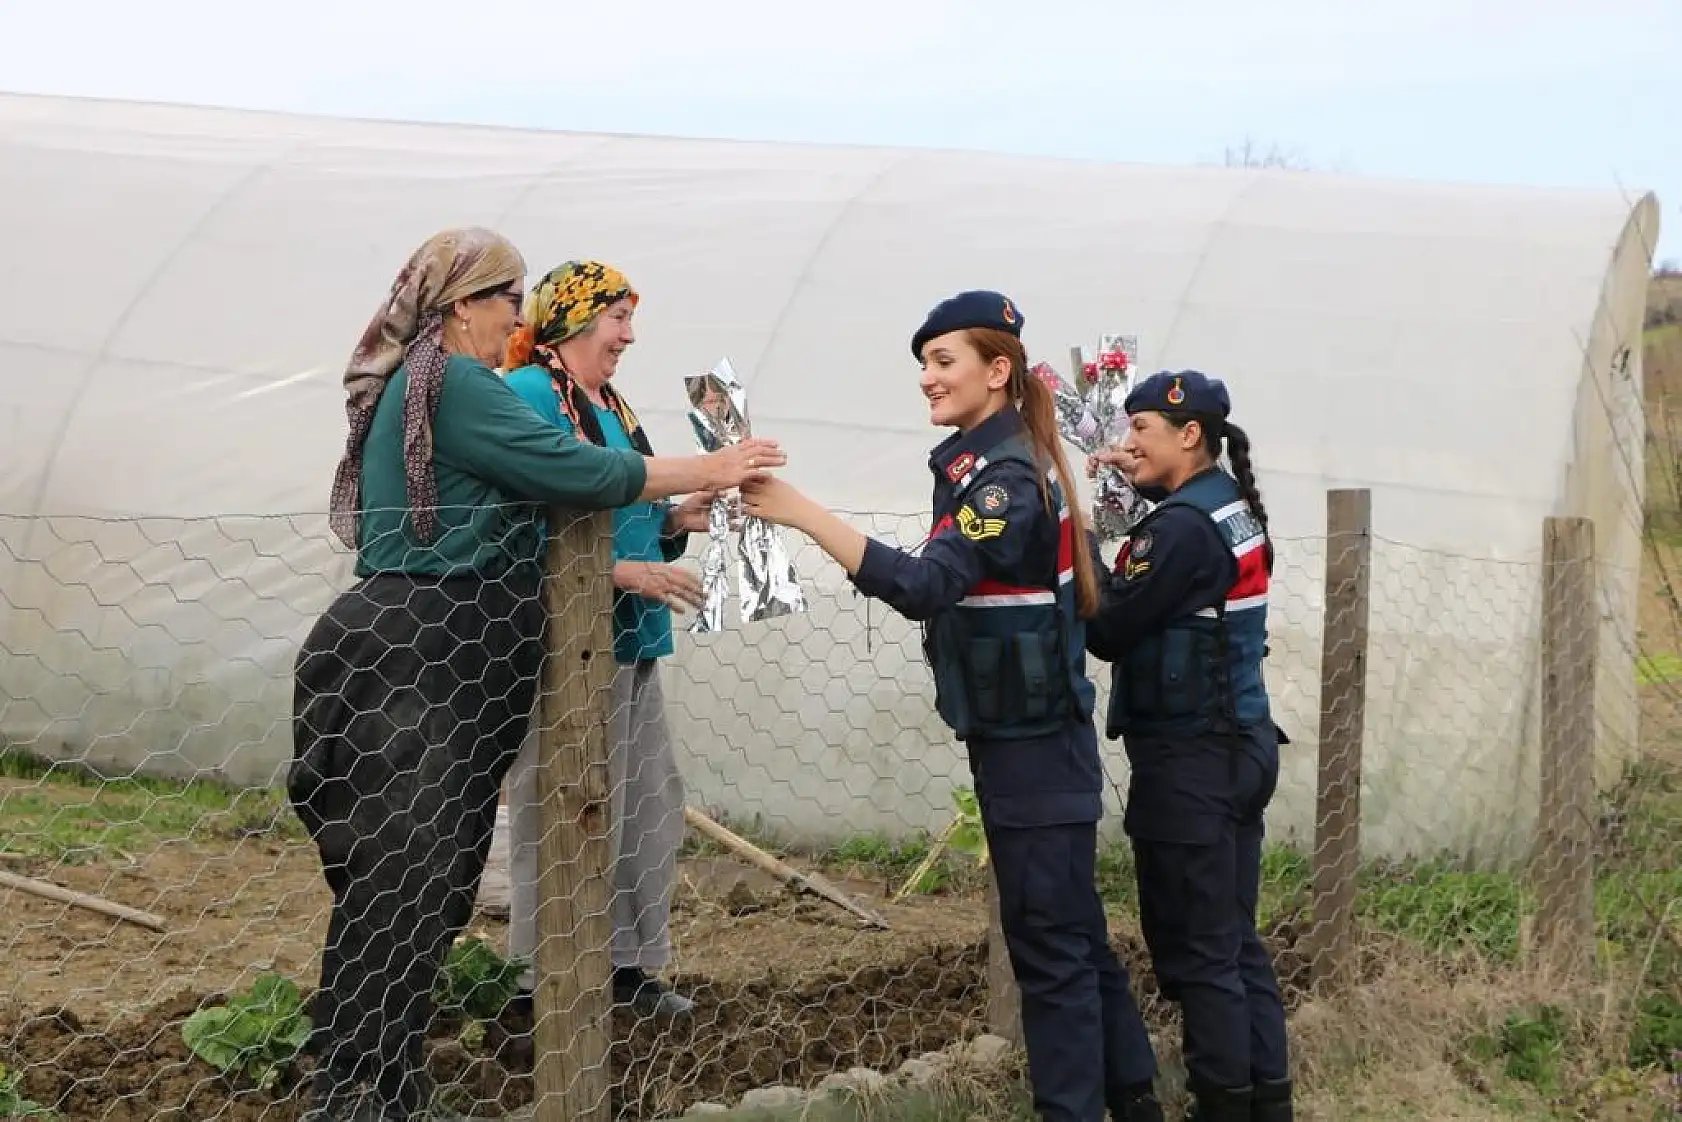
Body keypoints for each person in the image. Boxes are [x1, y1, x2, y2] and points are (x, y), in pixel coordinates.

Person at [289, 227, 784, 1122]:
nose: (517, 320)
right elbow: (576, 471)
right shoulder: (461, 384)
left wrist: (670, 510)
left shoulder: (433, 383)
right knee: (406, 886)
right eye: (508, 300)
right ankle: (357, 1091)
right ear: (460, 306)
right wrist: (713, 465)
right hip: (431, 647)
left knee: (418, 888)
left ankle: (383, 1085)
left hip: (429, 644)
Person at [740, 291, 1164, 1122]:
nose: (927, 379)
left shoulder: (1003, 480)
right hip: (1030, 739)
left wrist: (802, 513)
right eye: (923, 364)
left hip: (1033, 748)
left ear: (997, 371)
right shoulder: (998, 463)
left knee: (1049, 951)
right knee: (1074, 935)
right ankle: (1136, 1102)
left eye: (944, 361)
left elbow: (926, 585)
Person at [498, 260, 706, 1019]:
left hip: (631, 638)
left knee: (645, 803)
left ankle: (626, 968)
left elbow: (624, 508)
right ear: (573, 320)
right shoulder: (528, 395)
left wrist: (675, 520)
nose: (628, 335)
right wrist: (617, 572)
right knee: (560, 803)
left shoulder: (609, 404)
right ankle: (539, 979)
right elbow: (516, 523)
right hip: (567, 643)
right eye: (617, 318)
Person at [1084, 370, 1292, 1122]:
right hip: (1242, 744)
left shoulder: (1178, 530)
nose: (1127, 441)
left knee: (1199, 955)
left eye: (1140, 429)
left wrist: (1081, 543)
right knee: (1234, 944)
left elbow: (1109, 627)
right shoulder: (1227, 508)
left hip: (1191, 760)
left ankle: (1223, 1105)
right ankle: (1268, 1104)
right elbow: (1180, 568)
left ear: (1190, 434)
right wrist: (1134, 487)